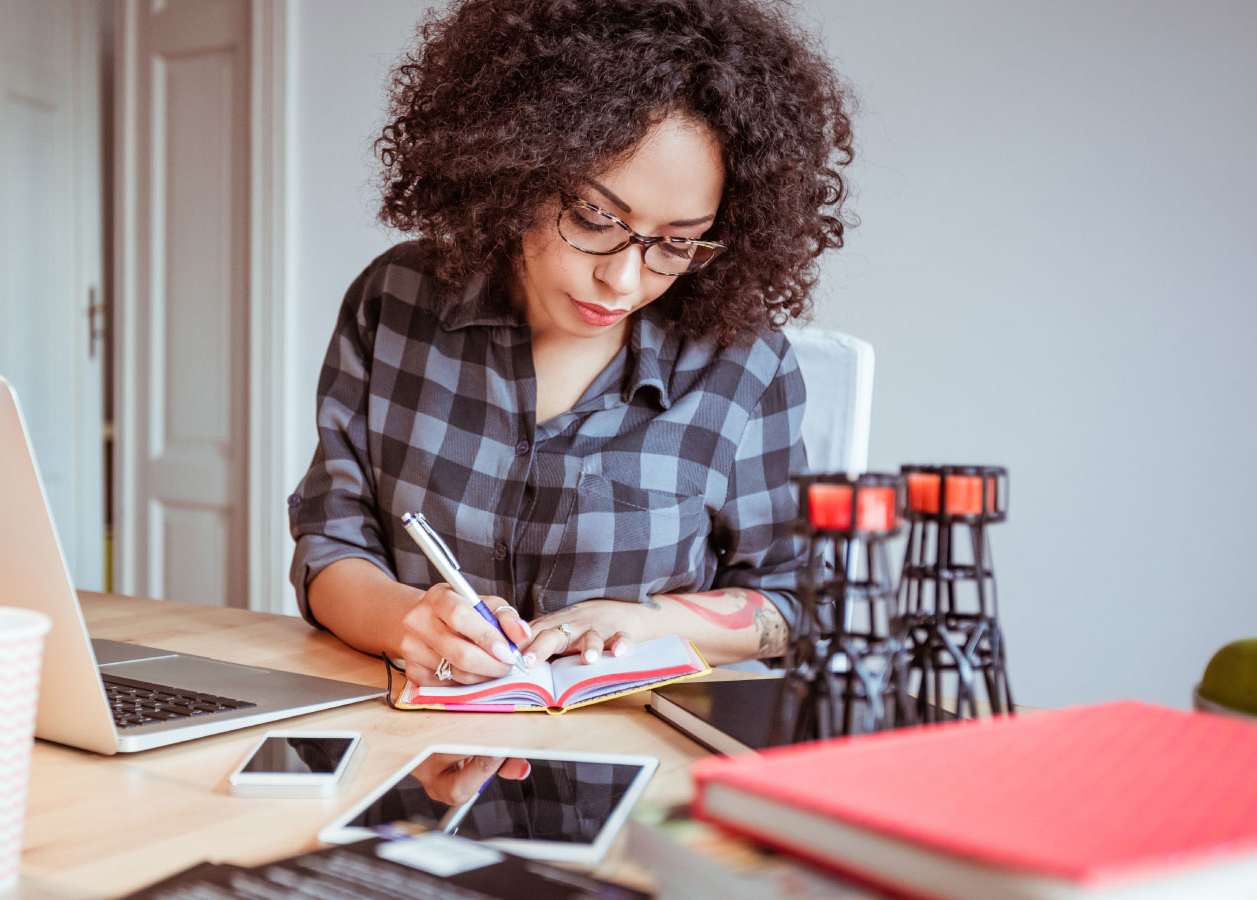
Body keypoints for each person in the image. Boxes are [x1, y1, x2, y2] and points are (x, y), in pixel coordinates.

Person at [289, 0, 855, 687]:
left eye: (676, 244)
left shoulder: (741, 363)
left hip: (639, 767)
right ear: (516, 168)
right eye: (593, 217)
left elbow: (797, 603)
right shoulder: (397, 301)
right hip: (417, 748)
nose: (621, 278)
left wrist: (648, 622)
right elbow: (332, 540)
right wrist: (406, 619)